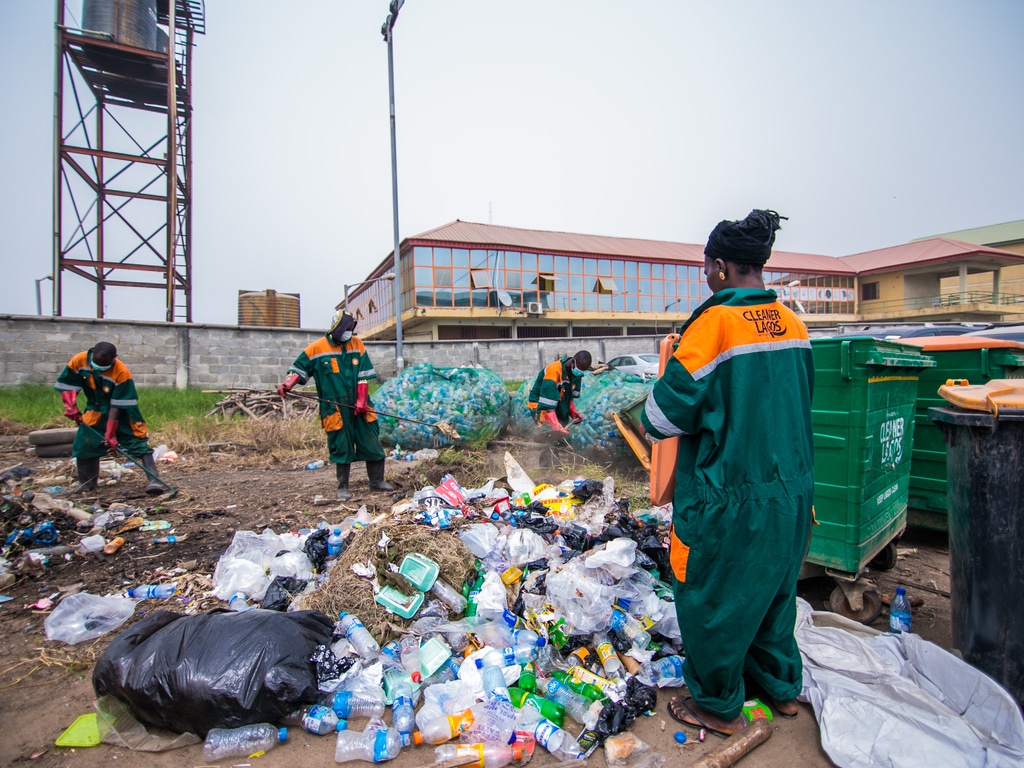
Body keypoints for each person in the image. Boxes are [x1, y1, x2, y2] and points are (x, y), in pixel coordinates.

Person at [641, 209, 814, 735]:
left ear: (720, 267)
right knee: (774, 595)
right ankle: (782, 690)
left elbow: (661, 417)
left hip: (728, 496)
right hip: (792, 493)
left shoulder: (713, 325)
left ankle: (716, 706)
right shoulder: (794, 324)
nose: (704, 276)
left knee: (713, 599)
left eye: (705, 267)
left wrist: (668, 366)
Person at [277, 310, 394, 501]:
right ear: (337, 328)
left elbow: (363, 376)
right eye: (346, 328)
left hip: (361, 404)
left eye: (351, 328)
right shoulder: (317, 349)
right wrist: (287, 384)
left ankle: (377, 481)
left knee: (371, 440)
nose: (349, 332)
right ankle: (343, 487)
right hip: (335, 406)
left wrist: (362, 400)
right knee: (341, 444)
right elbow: (298, 369)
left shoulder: (357, 344)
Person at [55, 341, 163, 495]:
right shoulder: (79, 361)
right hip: (95, 409)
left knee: (136, 442)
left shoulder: (121, 372)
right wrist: (71, 407)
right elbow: (67, 385)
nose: (100, 366)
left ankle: (154, 481)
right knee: (85, 443)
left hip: (123, 411)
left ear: (114, 358)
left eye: (105, 364)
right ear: (92, 353)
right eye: (98, 362)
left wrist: (110, 434)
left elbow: (116, 405)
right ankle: (87, 484)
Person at [527, 350, 592, 434]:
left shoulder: (577, 373)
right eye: (579, 369)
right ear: (572, 361)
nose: (579, 373)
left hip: (559, 403)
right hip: (542, 405)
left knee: (562, 433)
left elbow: (570, 396)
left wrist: (573, 411)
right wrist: (556, 424)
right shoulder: (554, 371)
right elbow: (548, 404)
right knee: (547, 433)